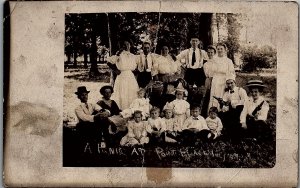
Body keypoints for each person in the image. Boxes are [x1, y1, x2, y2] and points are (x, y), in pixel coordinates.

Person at [107, 40, 139, 110]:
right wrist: (115, 70)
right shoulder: (119, 54)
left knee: (131, 92)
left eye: (128, 44)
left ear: (130, 45)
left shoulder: (133, 56)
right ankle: (121, 109)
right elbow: (109, 62)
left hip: (130, 76)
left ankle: (131, 110)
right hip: (122, 75)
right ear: (122, 46)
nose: (127, 46)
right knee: (122, 92)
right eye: (125, 44)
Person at [218, 76, 247, 141]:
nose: (230, 85)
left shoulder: (241, 90)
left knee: (234, 119)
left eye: (231, 83)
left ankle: (235, 137)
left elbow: (245, 102)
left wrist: (232, 103)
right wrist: (222, 104)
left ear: (235, 82)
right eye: (228, 83)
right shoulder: (226, 93)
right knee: (222, 114)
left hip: (241, 110)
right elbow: (225, 107)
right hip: (231, 111)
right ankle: (227, 134)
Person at [208, 42, 236, 111]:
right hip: (215, 80)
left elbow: (232, 73)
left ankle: (222, 112)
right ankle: (213, 112)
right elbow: (211, 72)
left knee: (223, 96)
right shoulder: (213, 60)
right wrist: (210, 81)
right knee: (214, 96)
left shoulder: (228, 61)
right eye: (218, 49)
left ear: (225, 50)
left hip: (224, 80)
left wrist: (230, 84)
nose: (219, 50)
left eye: (221, 49)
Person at [202, 45, 217, 116]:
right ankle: (206, 114)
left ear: (214, 53)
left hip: (216, 80)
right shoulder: (205, 64)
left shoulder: (217, 62)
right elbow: (206, 74)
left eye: (212, 52)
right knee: (207, 96)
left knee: (215, 96)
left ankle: (215, 113)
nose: (210, 54)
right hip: (208, 81)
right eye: (209, 52)